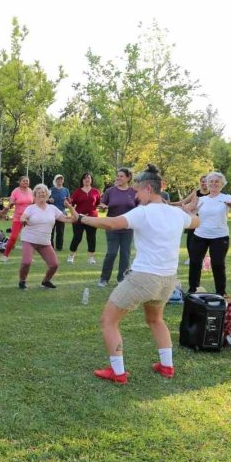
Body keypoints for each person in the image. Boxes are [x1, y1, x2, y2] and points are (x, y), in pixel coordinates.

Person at [71, 163, 199, 384]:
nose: (136, 195)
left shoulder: (144, 212)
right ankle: (167, 367)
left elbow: (112, 224)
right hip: (168, 280)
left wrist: (81, 218)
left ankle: (118, 372)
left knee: (108, 321)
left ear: (148, 189)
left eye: (138, 190)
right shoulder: (176, 214)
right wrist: (189, 211)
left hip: (143, 278)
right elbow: (196, 222)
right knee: (156, 320)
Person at [188, 171, 231, 296]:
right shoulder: (201, 199)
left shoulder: (226, 197)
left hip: (219, 237)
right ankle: (193, 290)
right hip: (200, 235)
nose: (213, 184)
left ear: (222, 184)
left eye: (216, 182)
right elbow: (189, 210)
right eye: (211, 181)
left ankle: (220, 292)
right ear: (207, 184)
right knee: (194, 262)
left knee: (218, 264)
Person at [18, 184, 74, 289]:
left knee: (54, 265)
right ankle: (22, 281)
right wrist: (24, 220)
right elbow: (23, 217)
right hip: (29, 239)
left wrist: (73, 213)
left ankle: (46, 281)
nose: (41, 194)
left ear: (47, 195)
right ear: (35, 195)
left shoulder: (52, 208)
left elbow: (65, 219)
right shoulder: (31, 208)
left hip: (44, 242)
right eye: (39, 193)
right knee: (26, 262)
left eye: (43, 192)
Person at [98, 168, 137, 287]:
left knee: (125, 254)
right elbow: (102, 203)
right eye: (118, 176)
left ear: (128, 178)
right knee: (112, 253)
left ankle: (122, 279)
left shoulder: (133, 192)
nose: (118, 178)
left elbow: (139, 207)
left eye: (121, 176)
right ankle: (104, 279)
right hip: (112, 226)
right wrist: (103, 206)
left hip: (127, 227)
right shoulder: (110, 191)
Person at [174, 176, 209, 265]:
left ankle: (203, 260)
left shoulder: (212, 194)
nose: (204, 183)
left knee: (204, 240)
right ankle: (191, 258)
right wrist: (170, 203)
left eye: (205, 181)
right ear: (200, 182)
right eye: (202, 181)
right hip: (194, 218)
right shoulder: (196, 193)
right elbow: (184, 202)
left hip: (206, 220)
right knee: (190, 239)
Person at [67, 172, 101, 264]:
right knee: (77, 237)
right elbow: (71, 204)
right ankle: (71, 256)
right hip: (79, 218)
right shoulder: (77, 191)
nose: (87, 179)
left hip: (92, 219)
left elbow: (98, 203)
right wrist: (68, 201)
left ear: (91, 180)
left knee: (91, 238)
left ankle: (91, 258)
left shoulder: (95, 191)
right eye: (85, 178)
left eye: (89, 178)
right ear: (82, 180)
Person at [2, 176, 34, 262]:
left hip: (29, 218)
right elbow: (11, 201)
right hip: (18, 218)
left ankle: (29, 256)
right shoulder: (16, 191)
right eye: (24, 181)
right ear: (19, 182)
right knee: (13, 237)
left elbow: (34, 203)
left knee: (30, 238)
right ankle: (5, 255)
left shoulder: (31, 191)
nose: (26, 182)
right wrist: (7, 208)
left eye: (27, 181)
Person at [48, 174, 70, 250]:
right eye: (58, 179)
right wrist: (49, 200)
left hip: (62, 214)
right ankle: (50, 247)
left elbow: (68, 202)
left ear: (63, 181)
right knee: (51, 232)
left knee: (60, 231)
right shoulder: (51, 190)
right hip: (51, 214)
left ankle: (59, 247)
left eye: (61, 179)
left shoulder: (66, 190)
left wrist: (66, 202)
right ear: (55, 180)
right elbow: (46, 200)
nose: (59, 181)